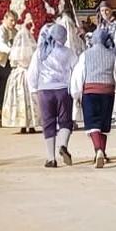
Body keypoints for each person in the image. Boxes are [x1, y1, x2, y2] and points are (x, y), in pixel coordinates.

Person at [27, 18, 77, 167]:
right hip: (63, 90)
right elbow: (76, 70)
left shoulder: (40, 52)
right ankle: (63, 145)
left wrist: (33, 90)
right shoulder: (69, 52)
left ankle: (51, 158)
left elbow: (32, 73)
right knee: (65, 121)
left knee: (48, 124)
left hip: (44, 91)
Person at [70, 23, 116, 167]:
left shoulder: (85, 55)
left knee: (93, 123)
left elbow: (79, 75)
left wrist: (76, 94)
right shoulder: (112, 56)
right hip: (108, 92)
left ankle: (98, 150)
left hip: (90, 92)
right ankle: (102, 151)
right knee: (103, 123)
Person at [0, 16, 41, 132]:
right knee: (30, 99)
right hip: (29, 74)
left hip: (18, 74)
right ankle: (32, 124)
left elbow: (12, 61)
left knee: (19, 98)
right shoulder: (32, 48)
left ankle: (22, 124)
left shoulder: (16, 49)